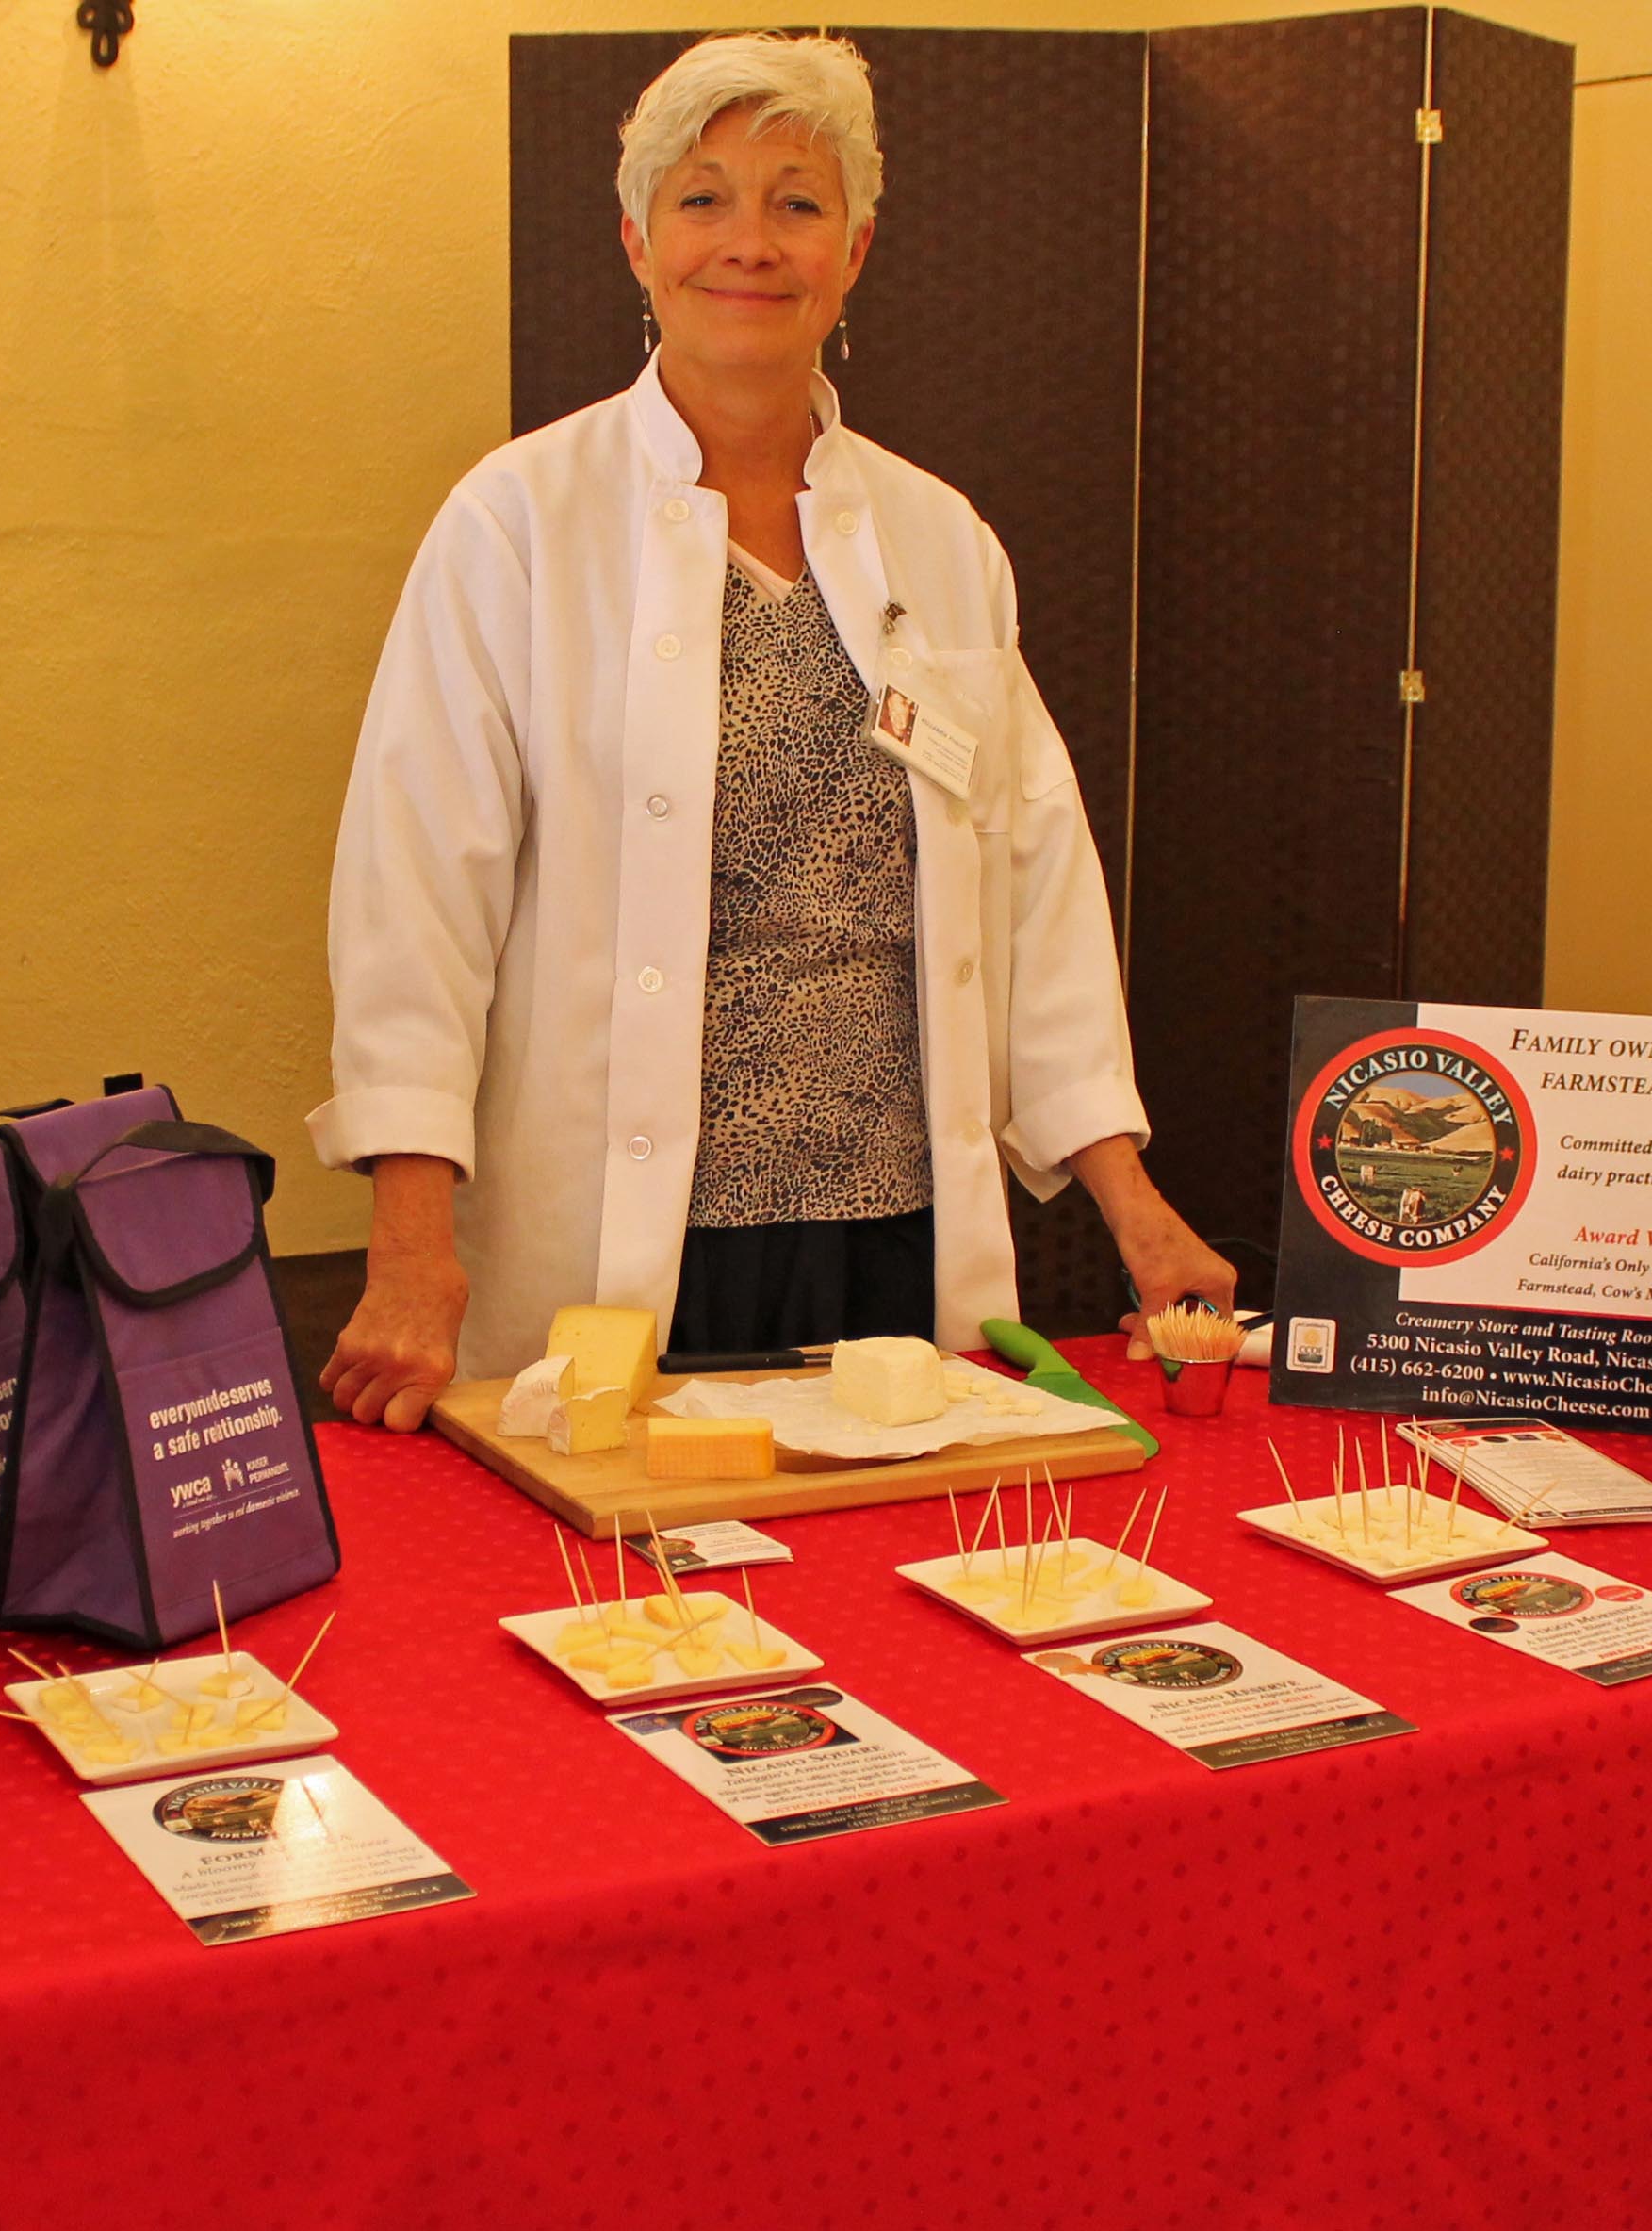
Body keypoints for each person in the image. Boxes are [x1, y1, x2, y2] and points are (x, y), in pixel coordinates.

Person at [313, 31, 1232, 1431]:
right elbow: (416, 898)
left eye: (797, 203)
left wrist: (1134, 1205)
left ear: (851, 254)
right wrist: (408, 1248)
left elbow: (1036, 885)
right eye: (704, 199)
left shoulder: (941, 538)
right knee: (635, 1554)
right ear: (638, 241)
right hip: (624, 1234)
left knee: (899, 1555)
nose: (750, 242)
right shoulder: (519, 521)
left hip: (896, 1232)